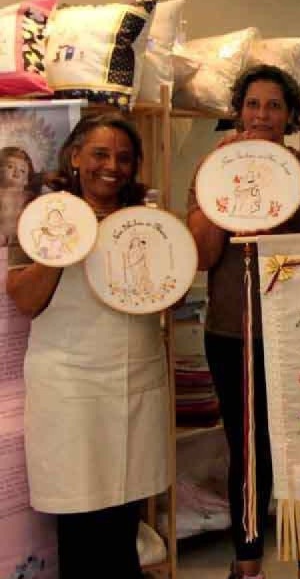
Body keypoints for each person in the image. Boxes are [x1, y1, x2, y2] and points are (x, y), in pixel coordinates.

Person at [187, 65, 300, 579]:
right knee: (246, 451)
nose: (262, 115)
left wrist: (278, 220)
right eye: (252, 104)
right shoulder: (211, 170)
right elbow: (204, 257)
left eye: (274, 105)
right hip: (231, 332)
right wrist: (219, 182)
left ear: (291, 116)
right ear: (238, 111)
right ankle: (247, 560)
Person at [7, 114, 168, 578]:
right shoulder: (42, 217)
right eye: (100, 153)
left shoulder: (145, 221)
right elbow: (26, 301)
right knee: (79, 518)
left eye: (123, 157)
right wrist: (63, 246)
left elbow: (168, 290)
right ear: (75, 156)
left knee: (124, 518)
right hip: (69, 386)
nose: (111, 166)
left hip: (135, 377)